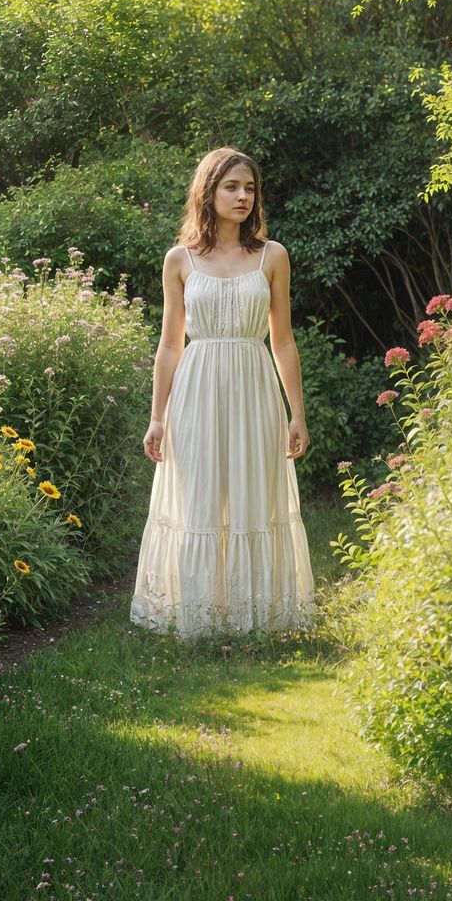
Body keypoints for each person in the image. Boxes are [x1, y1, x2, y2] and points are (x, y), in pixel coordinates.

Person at [130, 147, 316, 639]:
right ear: (207, 192)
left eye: (250, 188)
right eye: (232, 187)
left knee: (255, 493)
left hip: (255, 385)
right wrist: (157, 418)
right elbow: (170, 345)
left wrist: (297, 414)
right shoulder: (180, 260)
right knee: (201, 498)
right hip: (197, 388)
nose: (242, 197)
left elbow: (283, 340)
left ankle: (255, 614)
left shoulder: (272, 256)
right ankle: (200, 613)